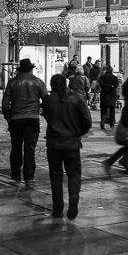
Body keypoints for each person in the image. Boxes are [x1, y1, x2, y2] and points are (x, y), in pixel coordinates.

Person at [42, 73, 91, 219]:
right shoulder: (76, 98)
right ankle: (73, 199)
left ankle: (58, 209)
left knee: (56, 176)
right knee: (74, 173)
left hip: (54, 143)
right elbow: (87, 120)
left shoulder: (48, 100)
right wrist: (78, 132)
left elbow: (48, 117)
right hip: (71, 143)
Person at [1, 57, 48, 186]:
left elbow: (5, 103)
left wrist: (9, 118)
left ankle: (16, 174)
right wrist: (41, 111)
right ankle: (29, 176)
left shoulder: (13, 82)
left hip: (16, 119)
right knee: (30, 148)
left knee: (16, 147)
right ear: (31, 69)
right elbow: (46, 100)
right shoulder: (38, 82)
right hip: (33, 118)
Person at [98, 65, 119, 130]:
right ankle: (111, 124)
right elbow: (116, 84)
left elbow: (101, 83)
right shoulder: (114, 77)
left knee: (104, 110)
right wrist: (111, 87)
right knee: (112, 110)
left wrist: (106, 86)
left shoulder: (102, 77)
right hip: (112, 94)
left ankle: (102, 123)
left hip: (104, 94)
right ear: (112, 71)